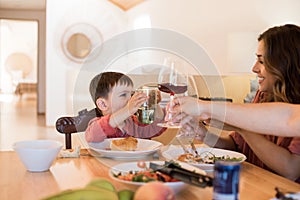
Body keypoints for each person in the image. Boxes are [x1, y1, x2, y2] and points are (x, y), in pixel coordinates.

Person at [172, 24, 300, 183]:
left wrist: (242, 127)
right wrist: (204, 134)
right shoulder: (263, 96)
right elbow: (236, 147)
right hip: (254, 185)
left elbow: (291, 170)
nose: (254, 68)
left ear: (284, 63)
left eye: (262, 61)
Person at [85, 71, 166, 142]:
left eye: (131, 94)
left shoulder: (134, 122)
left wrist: (154, 103)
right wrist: (127, 110)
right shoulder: (96, 124)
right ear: (103, 104)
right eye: (123, 95)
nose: (130, 98)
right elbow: (93, 135)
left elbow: (157, 128)